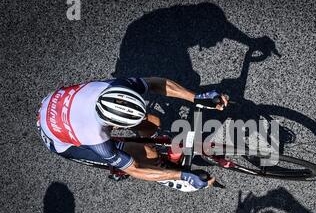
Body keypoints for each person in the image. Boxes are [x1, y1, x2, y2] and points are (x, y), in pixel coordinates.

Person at [36, 77, 228, 191]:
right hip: (60, 138)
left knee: (153, 124)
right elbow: (135, 169)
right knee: (145, 156)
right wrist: (181, 176)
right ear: (112, 125)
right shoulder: (94, 138)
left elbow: (154, 83)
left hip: (62, 102)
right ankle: (158, 168)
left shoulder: (115, 86)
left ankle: (151, 147)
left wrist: (194, 97)